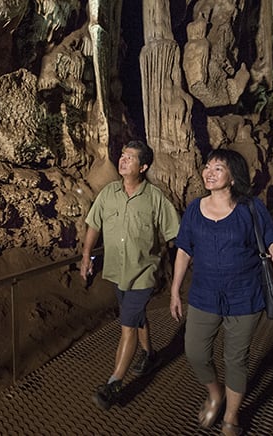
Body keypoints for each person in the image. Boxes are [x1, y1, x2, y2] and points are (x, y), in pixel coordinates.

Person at [169, 149, 273, 436]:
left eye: (218, 168)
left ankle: (231, 417)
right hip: (204, 296)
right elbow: (184, 250)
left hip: (245, 296)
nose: (209, 172)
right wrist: (174, 291)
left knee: (236, 359)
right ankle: (215, 393)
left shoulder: (251, 209)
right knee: (195, 352)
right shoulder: (194, 209)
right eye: (207, 167)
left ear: (233, 177)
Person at [80, 139, 180, 411]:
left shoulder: (155, 198)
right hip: (117, 271)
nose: (122, 160)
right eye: (122, 155)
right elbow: (93, 224)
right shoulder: (108, 193)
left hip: (143, 273)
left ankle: (113, 383)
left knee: (127, 326)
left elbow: (176, 233)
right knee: (135, 318)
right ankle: (150, 356)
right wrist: (86, 256)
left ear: (143, 166)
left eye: (130, 158)